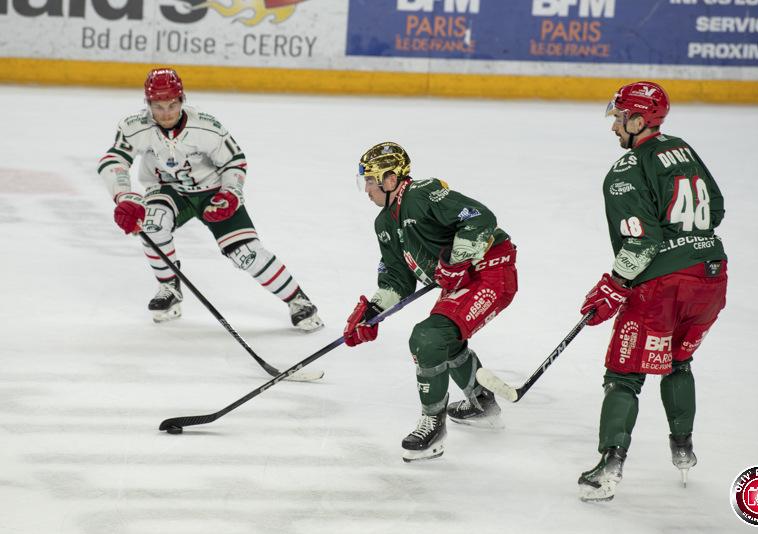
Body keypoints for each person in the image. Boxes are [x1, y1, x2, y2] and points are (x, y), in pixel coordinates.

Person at [577, 81, 728, 502]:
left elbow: (641, 242)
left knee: (624, 375)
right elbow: (715, 209)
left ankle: (609, 466)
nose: (614, 127)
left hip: (663, 287)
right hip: (713, 277)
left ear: (639, 120)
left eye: (620, 118)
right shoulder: (682, 148)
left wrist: (614, 285)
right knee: (679, 360)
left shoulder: (625, 172)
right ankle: (683, 449)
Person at [97, 68, 323, 331]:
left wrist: (231, 193)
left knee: (245, 253)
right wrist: (125, 197)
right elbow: (113, 161)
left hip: (213, 192)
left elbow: (234, 161)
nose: (166, 113)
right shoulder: (134, 127)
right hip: (167, 190)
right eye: (158, 106)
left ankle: (298, 300)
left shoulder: (206, 126)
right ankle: (169, 287)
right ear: (147, 104)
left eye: (172, 104)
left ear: (182, 100)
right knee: (153, 224)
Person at [343, 142, 518, 462]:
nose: (366, 189)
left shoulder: (422, 194)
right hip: (463, 281)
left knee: (427, 338)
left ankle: (432, 425)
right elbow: (398, 279)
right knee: (442, 340)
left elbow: (481, 218)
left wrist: (455, 259)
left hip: (490, 271)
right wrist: (371, 313)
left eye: (370, 180)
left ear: (391, 179)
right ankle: (482, 403)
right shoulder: (385, 223)